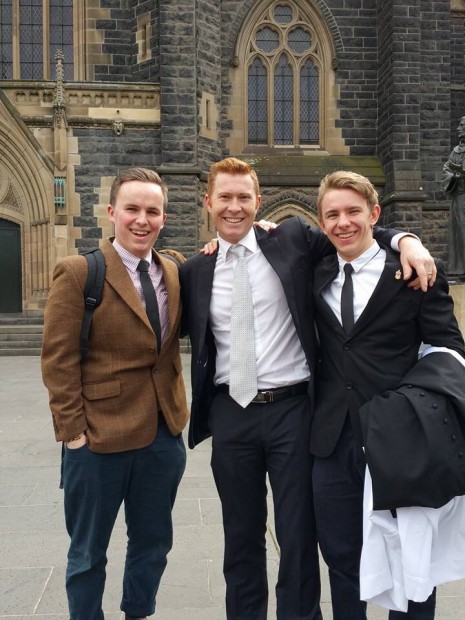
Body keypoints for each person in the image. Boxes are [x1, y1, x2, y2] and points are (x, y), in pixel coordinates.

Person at [179, 157, 436, 620]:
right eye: (225, 198)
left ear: (258, 203)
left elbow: (352, 232)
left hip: (293, 411)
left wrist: (407, 239)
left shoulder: (293, 240)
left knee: (298, 535)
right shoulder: (195, 269)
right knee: (240, 535)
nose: (234, 207)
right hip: (230, 414)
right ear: (209, 203)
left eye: (243, 198)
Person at [310, 170, 465, 620]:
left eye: (354, 212)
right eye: (332, 215)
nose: (343, 223)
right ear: (321, 224)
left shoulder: (415, 274)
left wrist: (406, 241)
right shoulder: (316, 272)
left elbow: (451, 349)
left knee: (413, 561)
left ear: (374, 215)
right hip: (332, 440)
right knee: (340, 556)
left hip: (402, 439)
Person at [41, 168, 189, 620]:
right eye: (132, 209)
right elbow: (58, 359)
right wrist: (73, 434)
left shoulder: (174, 270)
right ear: (112, 213)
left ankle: (137, 612)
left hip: (163, 436)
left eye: (152, 211)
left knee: (153, 544)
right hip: (98, 440)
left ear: (164, 218)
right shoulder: (80, 271)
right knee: (88, 554)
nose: (142, 220)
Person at [442, 115, 465, 274]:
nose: (458, 129)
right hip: (459, 198)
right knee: (459, 233)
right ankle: (460, 269)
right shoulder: (456, 151)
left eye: (462, 125)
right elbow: (447, 170)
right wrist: (455, 176)